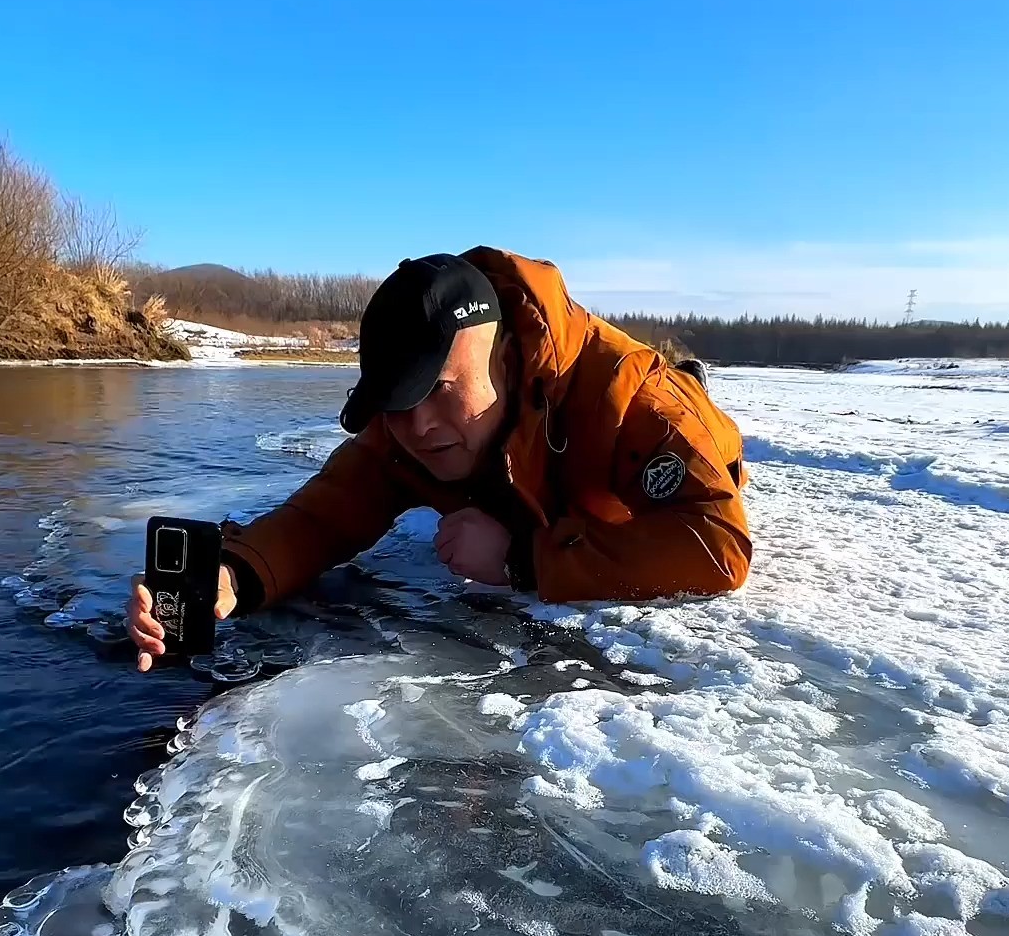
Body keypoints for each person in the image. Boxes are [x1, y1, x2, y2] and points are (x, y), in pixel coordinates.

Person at [128, 249, 750, 671]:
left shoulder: (633, 401)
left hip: (653, 456)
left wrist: (518, 560)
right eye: (399, 403)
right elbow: (326, 516)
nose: (419, 427)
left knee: (673, 459)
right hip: (529, 475)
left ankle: (694, 379)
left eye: (442, 392)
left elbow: (715, 545)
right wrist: (234, 577)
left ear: (506, 358)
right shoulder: (405, 429)